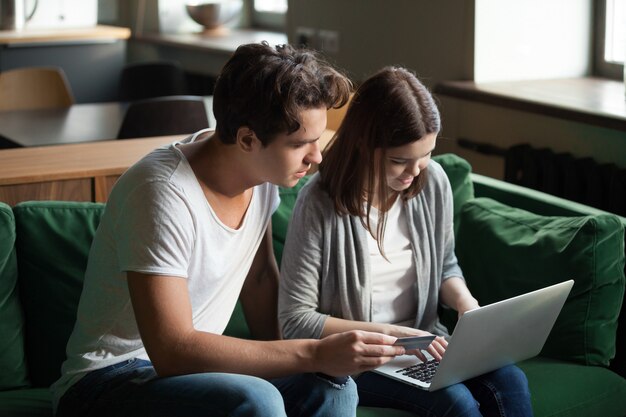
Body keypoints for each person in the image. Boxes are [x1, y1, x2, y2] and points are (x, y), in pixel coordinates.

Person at [51, 43, 407, 417]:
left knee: (330, 385)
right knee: (258, 398)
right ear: (247, 140)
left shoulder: (264, 172)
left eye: (317, 139)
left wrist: (307, 364)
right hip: (107, 382)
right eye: (301, 144)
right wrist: (313, 352)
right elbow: (171, 351)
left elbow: (258, 281)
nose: (316, 156)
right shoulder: (161, 193)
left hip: (197, 374)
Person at [278, 66, 534, 417]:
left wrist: (467, 306)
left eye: (425, 157)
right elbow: (295, 320)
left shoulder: (433, 182)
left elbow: (445, 265)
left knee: (510, 381)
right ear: (364, 146)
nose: (415, 172)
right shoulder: (318, 202)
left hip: (428, 343)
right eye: (400, 161)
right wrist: (397, 337)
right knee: (455, 402)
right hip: (361, 359)